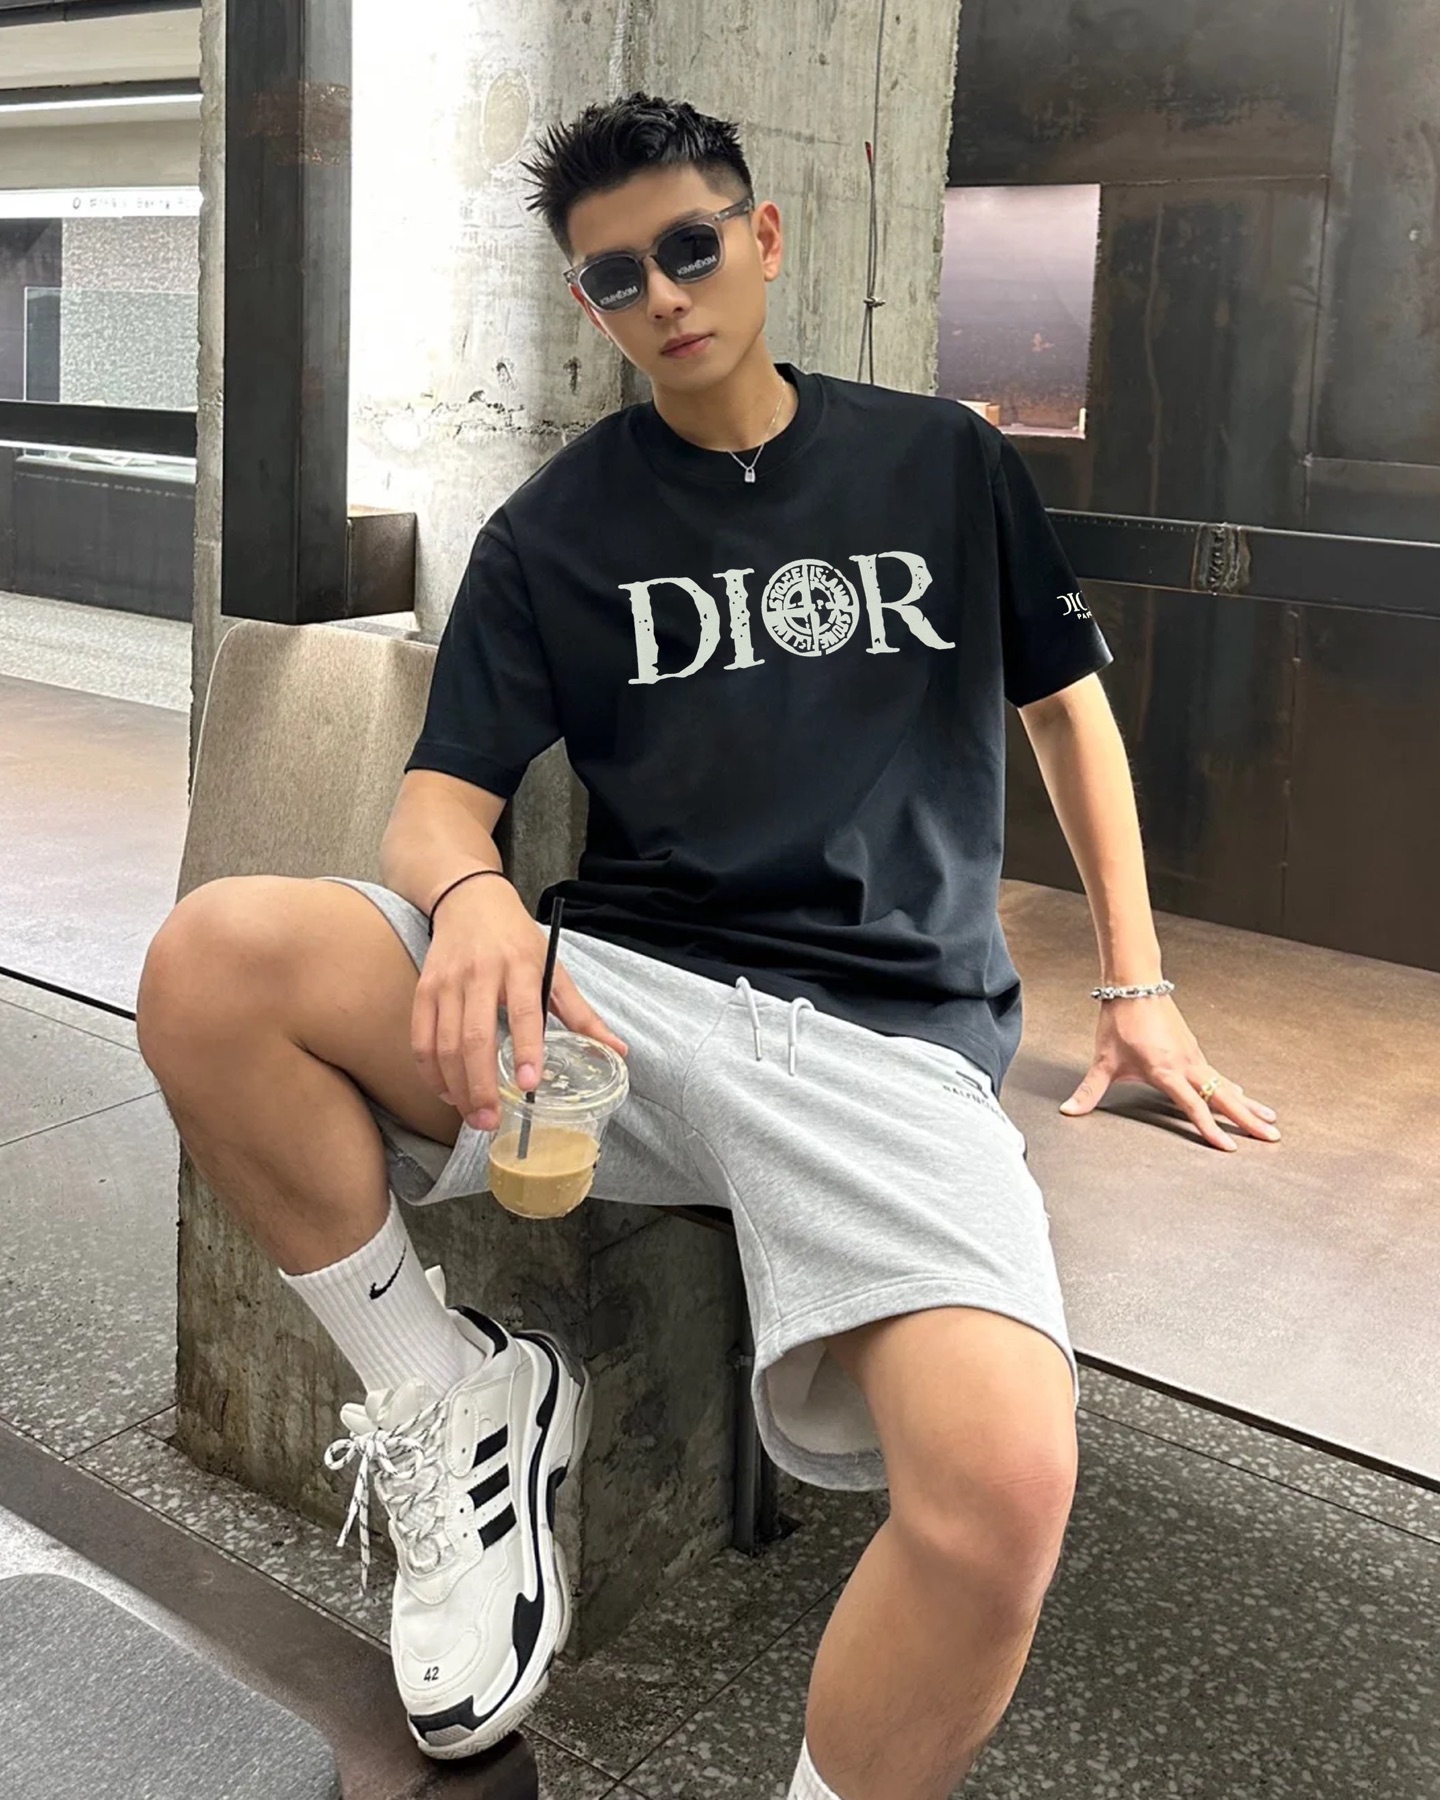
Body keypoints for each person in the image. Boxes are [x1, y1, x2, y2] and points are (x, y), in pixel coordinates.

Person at [136, 93, 1281, 1800]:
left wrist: (1138, 986)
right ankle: (454, 1400)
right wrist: (476, 901)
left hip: (892, 1051)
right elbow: (439, 801)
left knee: (1001, 1498)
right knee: (213, 962)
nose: (664, 295)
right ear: (587, 304)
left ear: (763, 238)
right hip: (625, 1018)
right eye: (617, 277)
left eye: (690, 247)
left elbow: (1067, 713)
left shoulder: (943, 463)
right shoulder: (556, 531)